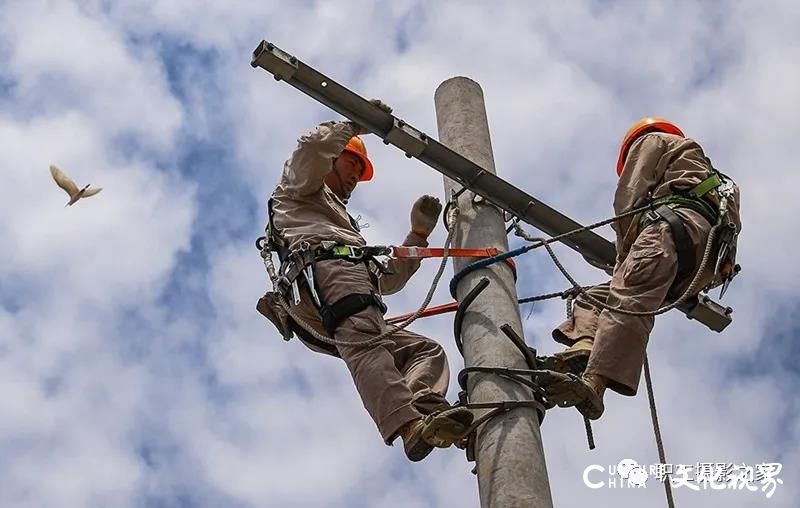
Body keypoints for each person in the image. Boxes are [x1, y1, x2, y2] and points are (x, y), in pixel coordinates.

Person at [257, 100, 473, 461]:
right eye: (353, 163)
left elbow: (383, 281)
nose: (357, 176)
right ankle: (408, 426)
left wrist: (417, 235)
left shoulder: (338, 223)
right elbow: (311, 149)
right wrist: (354, 124)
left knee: (423, 351)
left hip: (334, 288)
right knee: (367, 341)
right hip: (326, 281)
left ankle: (425, 409)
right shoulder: (297, 190)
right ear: (333, 156)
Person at [544, 117, 742, 420]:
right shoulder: (719, 180)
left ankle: (594, 384)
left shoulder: (653, 141)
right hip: (698, 269)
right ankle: (584, 346)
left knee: (627, 296)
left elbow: (629, 200)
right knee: (594, 298)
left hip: (671, 232)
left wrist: (624, 258)